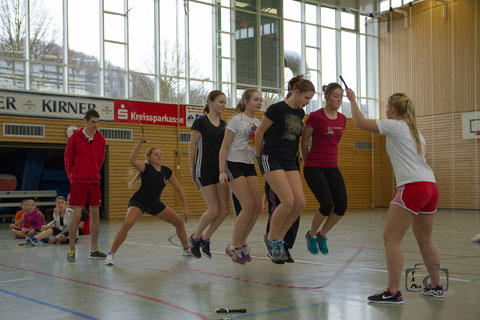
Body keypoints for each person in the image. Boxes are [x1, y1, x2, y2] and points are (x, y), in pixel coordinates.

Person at [348, 90, 444, 304]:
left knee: (391, 239)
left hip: (412, 187)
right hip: (431, 186)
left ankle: (393, 291)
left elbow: (360, 122)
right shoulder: (416, 131)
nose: (385, 112)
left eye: (386, 108)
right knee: (425, 240)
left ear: (392, 109)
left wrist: (353, 100)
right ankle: (437, 286)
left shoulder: (395, 125)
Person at [105, 133, 191, 265]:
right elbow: (132, 160)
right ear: (149, 157)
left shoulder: (166, 171)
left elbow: (179, 188)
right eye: (156, 154)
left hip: (155, 203)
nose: (159, 156)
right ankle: (111, 254)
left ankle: (186, 249)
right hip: (139, 202)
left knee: (179, 222)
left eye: (161, 154)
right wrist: (140, 142)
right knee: (128, 223)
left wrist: (185, 207)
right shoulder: (146, 168)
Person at [254, 74, 314, 263]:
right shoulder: (276, 109)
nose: (307, 102)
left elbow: (294, 137)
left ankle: (279, 237)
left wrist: (299, 153)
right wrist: (258, 156)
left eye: (310, 99)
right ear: (296, 93)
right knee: (287, 201)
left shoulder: (299, 114)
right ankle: (271, 238)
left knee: (299, 204)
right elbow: (259, 133)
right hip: (271, 158)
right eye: (306, 98)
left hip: (289, 160)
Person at [301, 83, 347, 256]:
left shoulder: (342, 119)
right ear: (326, 97)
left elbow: (334, 143)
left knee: (341, 206)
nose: (339, 99)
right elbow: (304, 140)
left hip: (332, 167)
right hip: (314, 167)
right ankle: (311, 234)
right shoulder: (315, 116)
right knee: (326, 205)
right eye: (335, 95)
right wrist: (306, 161)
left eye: (341, 96)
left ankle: (322, 235)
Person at [219, 89, 262, 264]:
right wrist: (222, 170)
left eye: (260, 100)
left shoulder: (259, 122)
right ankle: (233, 245)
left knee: (257, 207)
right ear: (245, 101)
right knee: (248, 205)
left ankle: (242, 242)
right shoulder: (236, 120)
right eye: (255, 99)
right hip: (233, 165)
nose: (259, 102)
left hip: (249, 165)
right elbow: (223, 147)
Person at [188, 90, 229, 259]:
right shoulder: (200, 123)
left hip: (220, 170)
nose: (223, 105)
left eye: (225, 102)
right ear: (210, 102)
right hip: (203, 169)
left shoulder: (225, 125)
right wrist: (192, 168)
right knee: (213, 210)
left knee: (224, 210)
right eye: (220, 102)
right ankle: (195, 238)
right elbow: (192, 146)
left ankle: (206, 238)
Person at [64, 108, 106, 262]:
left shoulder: (101, 140)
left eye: (97, 122)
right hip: (78, 180)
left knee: (95, 213)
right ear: (86, 122)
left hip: (94, 180)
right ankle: (71, 250)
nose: (95, 125)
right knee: (76, 214)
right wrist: (73, 177)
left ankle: (93, 249)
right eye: (93, 122)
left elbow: (100, 161)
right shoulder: (74, 138)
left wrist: (94, 172)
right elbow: (68, 160)